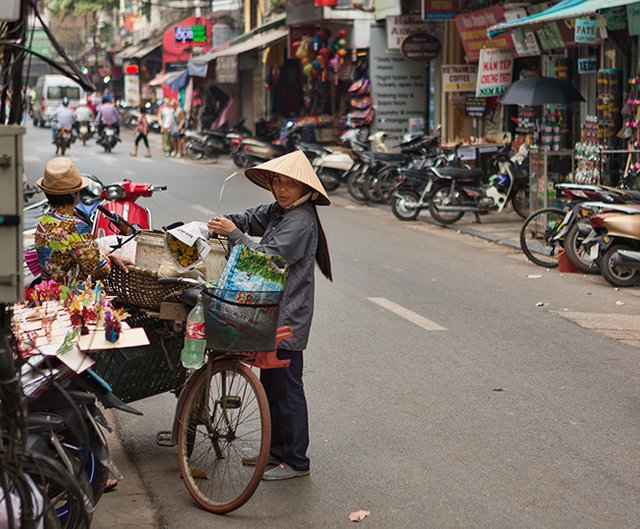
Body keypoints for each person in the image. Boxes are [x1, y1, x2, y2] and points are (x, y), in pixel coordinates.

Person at [207, 150, 332, 481]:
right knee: (272, 386)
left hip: (288, 319)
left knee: (287, 389)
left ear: (303, 187)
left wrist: (233, 234)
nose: (281, 189)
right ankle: (276, 451)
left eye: (288, 183)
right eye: (277, 181)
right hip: (271, 312)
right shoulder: (280, 211)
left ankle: (295, 460)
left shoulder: (301, 221)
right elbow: (251, 216)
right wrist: (227, 222)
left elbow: (264, 260)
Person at [34, 157, 131, 285]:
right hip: (72, 299)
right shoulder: (76, 227)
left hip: (47, 293)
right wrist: (107, 258)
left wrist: (102, 254)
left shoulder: (43, 221)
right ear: (76, 195)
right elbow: (99, 269)